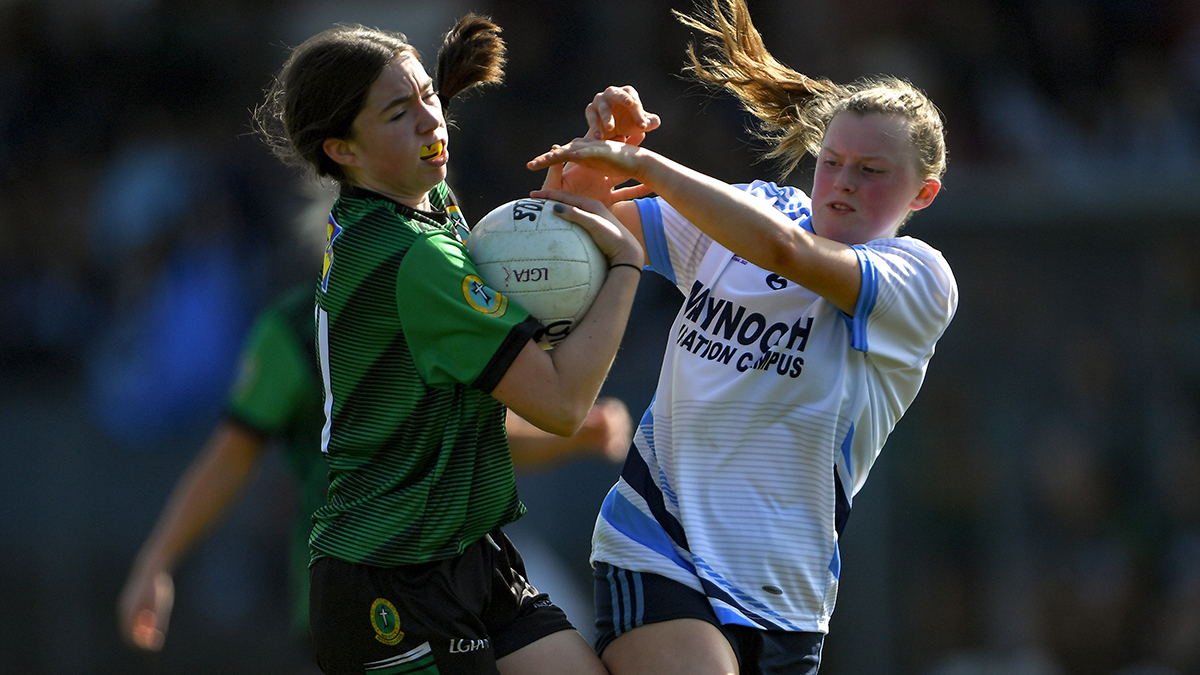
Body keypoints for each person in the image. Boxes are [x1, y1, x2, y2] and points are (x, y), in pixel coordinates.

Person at [527, 1, 959, 673]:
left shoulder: (917, 281)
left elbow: (787, 254)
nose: (842, 183)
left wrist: (656, 168)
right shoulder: (749, 211)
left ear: (923, 195)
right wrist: (600, 158)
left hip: (785, 594)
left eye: (872, 172)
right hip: (656, 540)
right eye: (832, 161)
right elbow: (579, 225)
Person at [251, 14, 644, 675]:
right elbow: (560, 402)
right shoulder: (415, 259)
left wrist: (594, 147)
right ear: (342, 151)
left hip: (469, 557)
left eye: (428, 98)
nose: (431, 121)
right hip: (389, 577)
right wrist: (626, 266)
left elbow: (534, 254)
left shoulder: (419, 205)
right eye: (398, 113)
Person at [115, 285, 635, 658]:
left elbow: (490, 441)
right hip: (359, 593)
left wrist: (574, 435)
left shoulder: (445, 305)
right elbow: (232, 457)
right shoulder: (297, 329)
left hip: (464, 579)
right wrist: (156, 561)